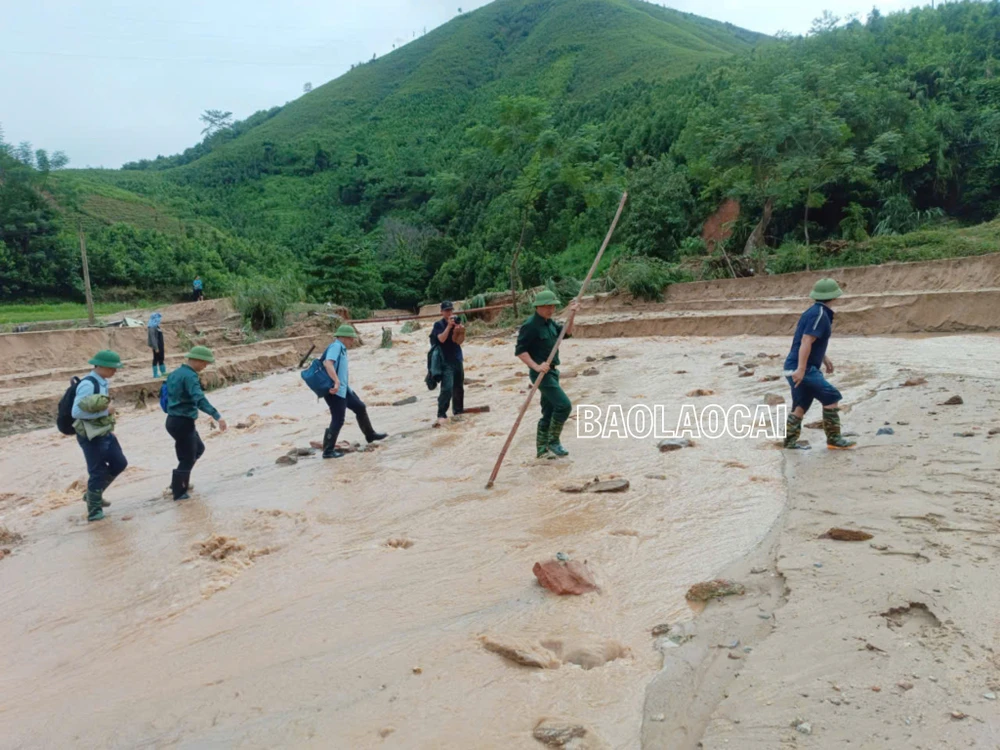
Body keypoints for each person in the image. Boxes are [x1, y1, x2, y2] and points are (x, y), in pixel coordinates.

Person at [783, 278, 856, 451]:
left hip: (795, 366)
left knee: (801, 404)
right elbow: (806, 340)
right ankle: (834, 439)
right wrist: (801, 369)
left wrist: (824, 358)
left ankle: (789, 443)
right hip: (803, 368)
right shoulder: (820, 314)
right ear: (834, 296)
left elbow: (811, 341)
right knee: (831, 396)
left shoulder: (814, 312)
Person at [514, 290, 580, 459]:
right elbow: (520, 351)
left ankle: (542, 450)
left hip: (553, 372)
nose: (551, 310)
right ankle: (553, 441)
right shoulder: (530, 326)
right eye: (547, 306)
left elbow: (566, 333)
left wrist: (572, 314)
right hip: (541, 375)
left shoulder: (549, 323)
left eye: (553, 306)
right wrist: (536, 366)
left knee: (549, 411)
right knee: (564, 406)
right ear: (538, 307)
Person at [164, 346, 228, 500]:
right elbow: (199, 398)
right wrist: (216, 415)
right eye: (205, 363)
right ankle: (179, 492)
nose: (205, 366)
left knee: (198, 449)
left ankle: (179, 482)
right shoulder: (190, 377)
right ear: (197, 360)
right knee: (188, 457)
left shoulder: (175, 374)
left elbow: (164, 396)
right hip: (183, 421)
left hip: (172, 420)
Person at [72, 350, 128, 522]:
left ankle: (93, 495)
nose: (115, 371)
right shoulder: (88, 385)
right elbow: (76, 412)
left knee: (119, 462)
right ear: (101, 366)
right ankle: (94, 512)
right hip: (91, 436)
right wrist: (106, 411)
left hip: (104, 432)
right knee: (97, 471)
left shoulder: (102, 382)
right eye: (112, 368)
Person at [320, 324, 387, 459]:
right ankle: (328, 451)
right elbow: (328, 363)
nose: (352, 341)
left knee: (360, 407)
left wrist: (343, 385)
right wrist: (336, 381)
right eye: (351, 338)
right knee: (338, 419)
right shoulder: (336, 347)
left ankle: (370, 435)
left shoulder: (341, 348)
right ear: (344, 337)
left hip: (344, 390)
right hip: (335, 391)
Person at [431, 301, 466, 426]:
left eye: (450, 310)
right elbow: (441, 339)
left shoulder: (457, 322)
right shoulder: (438, 325)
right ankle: (441, 414)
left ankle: (458, 412)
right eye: (446, 310)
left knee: (459, 387)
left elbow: (459, 341)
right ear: (442, 312)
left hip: (457, 359)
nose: (449, 313)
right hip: (445, 361)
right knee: (447, 388)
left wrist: (460, 331)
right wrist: (449, 327)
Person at [148, 312, 166, 378]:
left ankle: (163, 372)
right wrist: (156, 348)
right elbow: (153, 338)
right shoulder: (151, 327)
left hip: (160, 345)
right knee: (156, 358)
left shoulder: (157, 326)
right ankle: (155, 374)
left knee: (161, 358)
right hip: (157, 345)